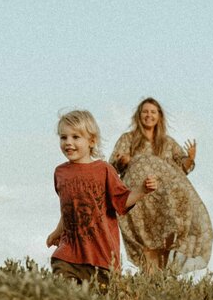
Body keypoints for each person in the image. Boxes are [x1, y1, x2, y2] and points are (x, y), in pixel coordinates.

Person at [46, 109, 158, 287]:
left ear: (91, 141)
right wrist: (57, 232)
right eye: (63, 137)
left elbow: (122, 201)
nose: (68, 142)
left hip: (101, 257)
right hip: (67, 254)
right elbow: (68, 209)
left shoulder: (104, 170)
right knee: (63, 293)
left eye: (76, 137)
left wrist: (142, 190)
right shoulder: (60, 173)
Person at [108, 98, 213, 273]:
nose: (149, 115)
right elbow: (113, 167)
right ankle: (150, 279)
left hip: (164, 196)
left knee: (164, 240)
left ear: (159, 116)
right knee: (146, 239)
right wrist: (123, 161)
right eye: (145, 112)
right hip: (140, 196)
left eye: (153, 112)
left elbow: (182, 168)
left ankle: (159, 281)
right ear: (139, 115)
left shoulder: (167, 142)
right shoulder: (128, 139)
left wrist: (190, 158)